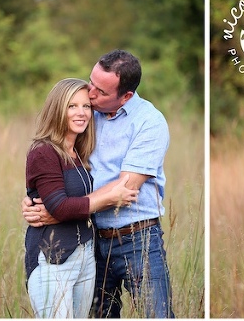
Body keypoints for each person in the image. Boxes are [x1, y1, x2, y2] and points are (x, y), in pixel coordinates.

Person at [22, 50, 176, 318]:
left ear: (125, 96)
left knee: (156, 315)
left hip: (137, 239)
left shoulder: (149, 122)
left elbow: (124, 188)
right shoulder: (86, 113)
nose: (90, 94)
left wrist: (60, 210)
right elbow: (56, 168)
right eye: (91, 82)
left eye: (100, 91)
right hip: (90, 241)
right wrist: (39, 197)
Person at [25, 78, 138, 318]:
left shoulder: (78, 151)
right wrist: (111, 198)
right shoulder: (43, 151)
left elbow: (65, 203)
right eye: (72, 106)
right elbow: (60, 207)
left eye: (86, 106)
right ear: (58, 109)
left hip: (85, 256)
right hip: (53, 259)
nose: (81, 113)